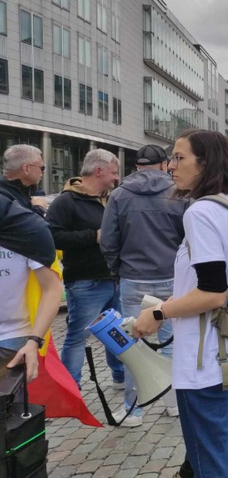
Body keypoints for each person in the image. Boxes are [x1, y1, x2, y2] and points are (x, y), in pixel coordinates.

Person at [133, 129, 228, 477]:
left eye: (179, 157)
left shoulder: (202, 212)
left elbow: (213, 291)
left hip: (206, 359)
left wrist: (159, 311)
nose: (171, 166)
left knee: (210, 458)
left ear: (205, 164)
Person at [100, 144, 187, 426]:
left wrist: (118, 271)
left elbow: (109, 241)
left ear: (136, 165)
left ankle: (132, 410)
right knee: (172, 342)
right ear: (164, 164)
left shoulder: (120, 194)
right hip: (172, 277)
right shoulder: (179, 193)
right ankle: (174, 403)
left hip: (134, 277)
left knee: (130, 345)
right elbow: (189, 238)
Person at [47, 149, 126, 388]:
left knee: (116, 332)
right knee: (77, 337)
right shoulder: (65, 202)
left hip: (113, 278)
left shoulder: (110, 199)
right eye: (113, 172)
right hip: (84, 282)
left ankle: (120, 377)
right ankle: (70, 389)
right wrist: (94, 236)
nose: (116, 178)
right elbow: (52, 237)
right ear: (98, 171)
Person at [1, 243, 64, 383]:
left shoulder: (26, 228)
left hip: (15, 334)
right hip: (16, 336)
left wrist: (34, 340)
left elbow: (52, 288)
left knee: (10, 401)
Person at [0, 145, 49, 216]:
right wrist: (39, 208)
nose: (43, 172)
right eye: (42, 168)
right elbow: (28, 225)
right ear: (26, 168)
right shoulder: (5, 198)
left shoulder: (28, 192)